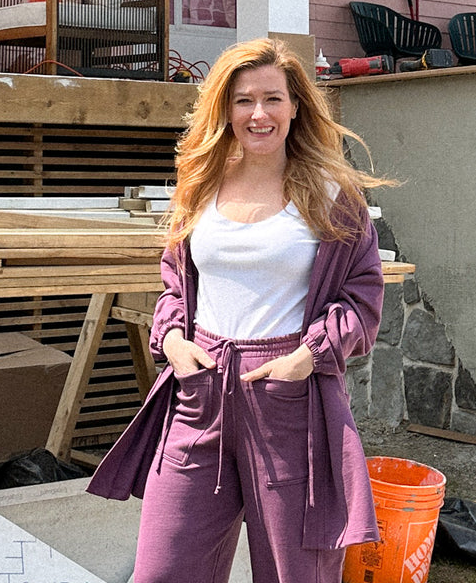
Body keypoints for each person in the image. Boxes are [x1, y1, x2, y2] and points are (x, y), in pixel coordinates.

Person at [87, 37, 391, 583]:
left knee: (297, 575)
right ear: (225, 109)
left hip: (288, 400)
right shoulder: (200, 185)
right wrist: (174, 342)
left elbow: (363, 298)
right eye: (244, 100)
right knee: (162, 571)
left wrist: (309, 355)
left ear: (296, 106)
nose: (259, 114)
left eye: (273, 99)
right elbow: (175, 286)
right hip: (199, 394)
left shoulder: (332, 195)